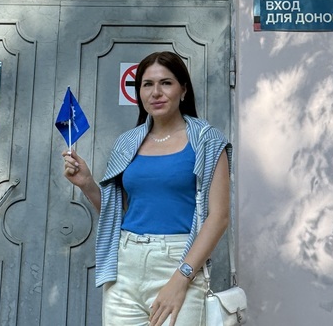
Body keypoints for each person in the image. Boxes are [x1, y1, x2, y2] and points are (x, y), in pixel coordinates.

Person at [62, 51, 232, 326]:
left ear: (183, 90)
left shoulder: (207, 141)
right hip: (125, 266)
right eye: (147, 84)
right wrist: (87, 183)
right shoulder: (127, 143)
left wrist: (181, 278)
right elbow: (118, 213)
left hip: (178, 263)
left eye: (166, 83)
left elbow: (219, 217)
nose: (156, 92)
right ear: (139, 93)